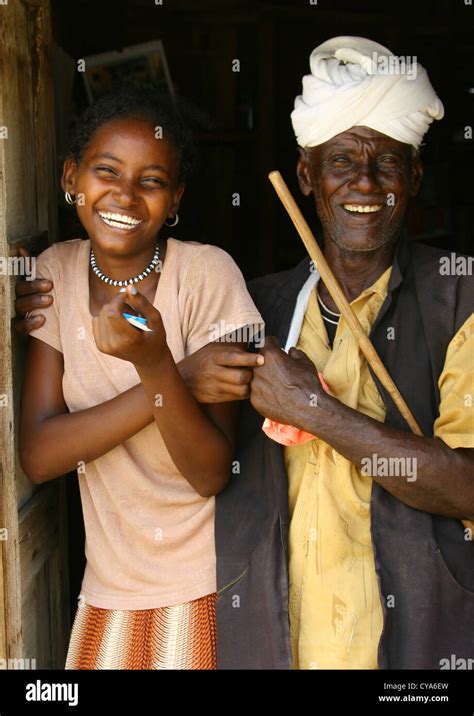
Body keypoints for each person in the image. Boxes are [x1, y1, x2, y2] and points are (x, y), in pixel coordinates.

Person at [16, 37, 474, 670]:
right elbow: (42, 453)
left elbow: (468, 484)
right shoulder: (266, 309)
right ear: (306, 175)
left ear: (415, 177)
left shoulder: (460, 299)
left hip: (410, 646)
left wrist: (315, 410)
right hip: (271, 640)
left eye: (387, 164)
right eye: (341, 161)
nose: (364, 184)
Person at [17, 85, 264, 670]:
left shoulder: (204, 276)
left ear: (174, 198)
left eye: (151, 180)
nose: (124, 194)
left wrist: (155, 365)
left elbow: (209, 472)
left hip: (204, 585)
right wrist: (177, 377)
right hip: (107, 591)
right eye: (106, 171)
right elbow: (40, 454)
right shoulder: (56, 272)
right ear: (70, 177)